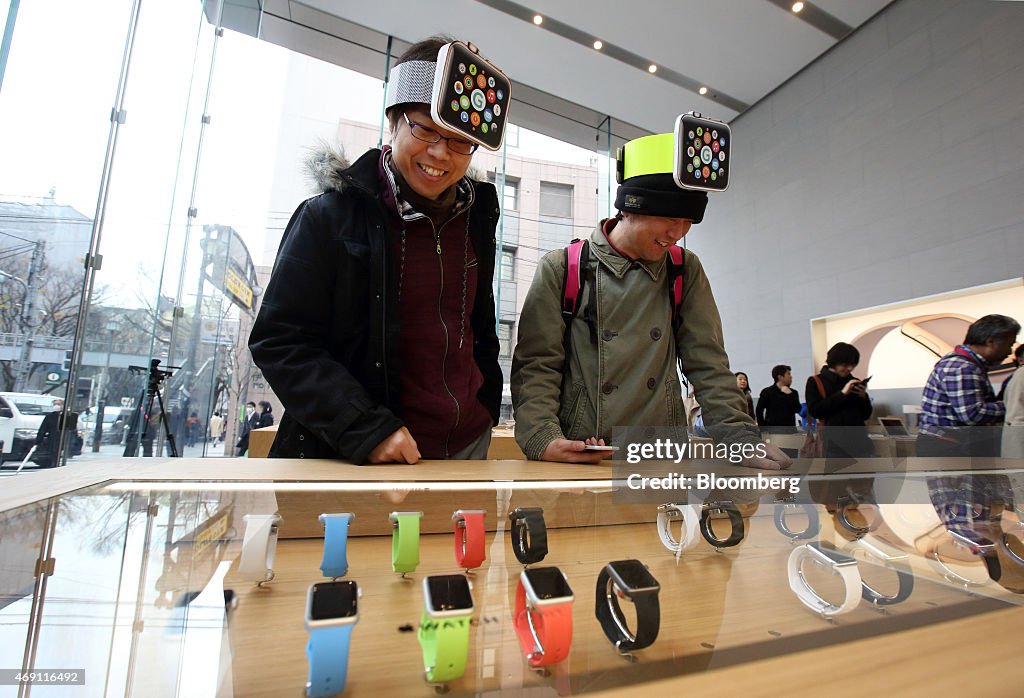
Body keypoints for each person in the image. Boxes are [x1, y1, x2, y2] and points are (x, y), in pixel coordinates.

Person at [249, 37, 503, 464]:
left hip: (468, 446)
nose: (441, 154)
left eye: (460, 140)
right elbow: (279, 341)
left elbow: (477, 327)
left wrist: (485, 405)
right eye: (425, 129)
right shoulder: (328, 218)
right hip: (356, 455)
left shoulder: (477, 218)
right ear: (393, 118)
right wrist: (366, 428)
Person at [511, 143, 789, 469]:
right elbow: (537, 366)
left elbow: (708, 364)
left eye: (688, 221)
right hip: (582, 453)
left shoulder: (684, 268)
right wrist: (542, 436)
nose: (678, 233)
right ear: (629, 207)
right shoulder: (563, 267)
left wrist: (739, 438)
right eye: (671, 217)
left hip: (661, 456)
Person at [917, 314, 1020, 457]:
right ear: (990, 342)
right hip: (949, 446)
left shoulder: (963, 364)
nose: (1009, 352)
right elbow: (972, 414)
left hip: (948, 443)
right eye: (1008, 345)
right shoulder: (962, 367)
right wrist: (1014, 406)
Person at [805, 342, 874, 459]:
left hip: (860, 443)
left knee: (866, 477)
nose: (850, 368)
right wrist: (842, 394)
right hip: (832, 445)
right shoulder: (816, 381)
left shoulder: (854, 381)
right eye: (846, 365)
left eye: (853, 365)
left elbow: (865, 415)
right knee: (836, 477)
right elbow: (815, 411)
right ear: (834, 363)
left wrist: (863, 397)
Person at [756, 364, 802, 432]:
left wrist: (790, 395)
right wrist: (763, 427)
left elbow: (797, 409)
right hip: (772, 431)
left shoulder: (793, 392)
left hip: (790, 430)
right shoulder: (767, 392)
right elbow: (759, 410)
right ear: (780, 377)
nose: (791, 377)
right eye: (788, 374)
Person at [33, 398, 66, 468]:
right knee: (53, 451)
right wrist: (38, 441)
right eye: (55, 404)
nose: (56, 406)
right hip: (52, 438)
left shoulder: (66, 416)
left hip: (63, 438)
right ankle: (53, 463)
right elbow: (43, 429)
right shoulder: (50, 417)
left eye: (59, 404)